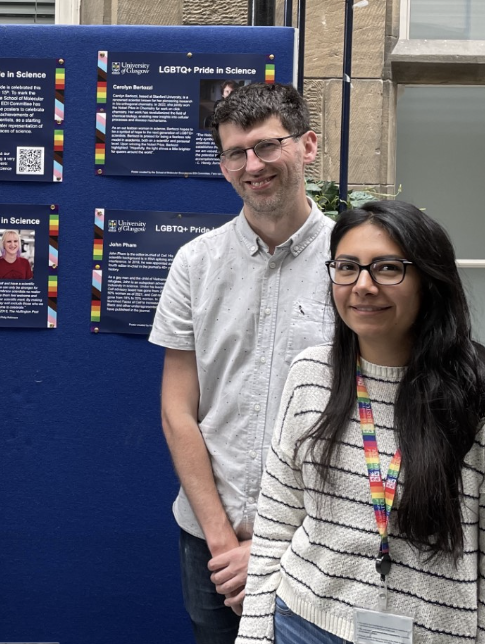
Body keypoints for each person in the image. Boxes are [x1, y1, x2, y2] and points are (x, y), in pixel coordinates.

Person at [236, 201, 485, 644]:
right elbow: (275, 526)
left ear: (428, 280)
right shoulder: (310, 375)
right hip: (304, 623)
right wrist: (254, 636)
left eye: (386, 268)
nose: (363, 285)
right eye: (347, 266)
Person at [150, 83, 334, 644]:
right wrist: (226, 544)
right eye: (236, 152)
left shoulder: (351, 264)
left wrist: (273, 548)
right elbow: (178, 411)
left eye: (266, 146)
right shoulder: (195, 264)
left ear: (308, 146)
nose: (252, 165)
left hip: (319, 543)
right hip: (211, 539)